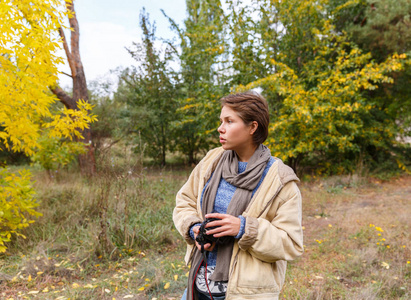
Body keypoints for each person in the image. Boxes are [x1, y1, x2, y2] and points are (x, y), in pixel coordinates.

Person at [173, 91, 303, 300]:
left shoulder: (280, 179)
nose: (220, 128)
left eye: (229, 121)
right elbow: (184, 202)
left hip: (245, 294)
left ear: (253, 127)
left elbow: (291, 243)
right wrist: (193, 227)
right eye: (221, 121)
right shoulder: (212, 161)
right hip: (197, 285)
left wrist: (244, 229)